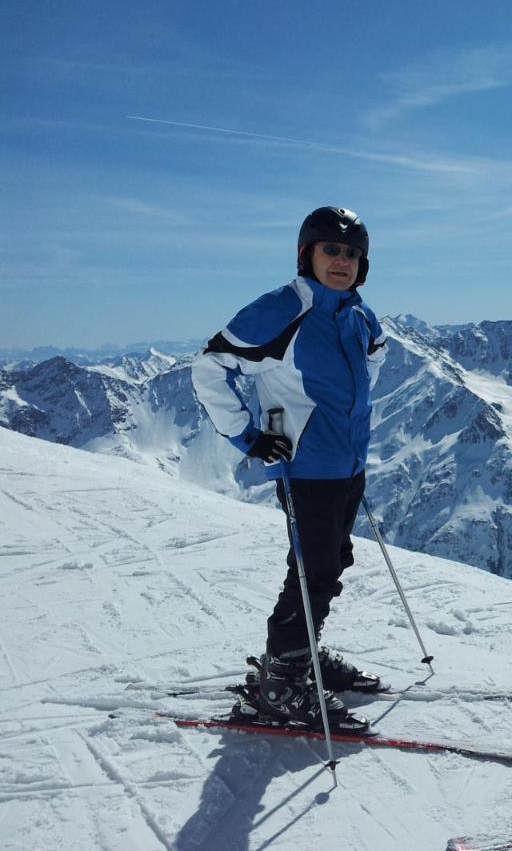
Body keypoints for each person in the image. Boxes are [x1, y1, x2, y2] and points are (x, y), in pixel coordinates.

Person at [191, 206, 387, 727]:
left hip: (346, 462)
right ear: (308, 255)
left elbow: (372, 359)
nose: (341, 261)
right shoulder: (283, 309)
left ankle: (302, 654)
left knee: (330, 563)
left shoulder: (359, 314)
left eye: (351, 253)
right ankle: (282, 682)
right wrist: (248, 436)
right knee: (311, 571)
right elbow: (211, 365)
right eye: (331, 250)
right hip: (306, 467)